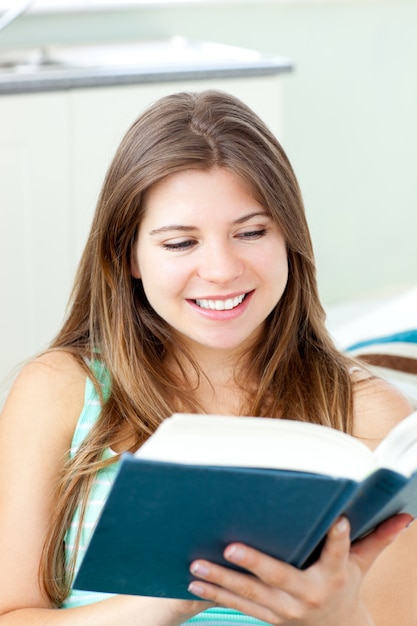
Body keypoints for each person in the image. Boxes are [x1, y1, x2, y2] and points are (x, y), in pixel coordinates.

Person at [0, 89, 416, 626]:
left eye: (251, 232)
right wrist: (167, 600)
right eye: (180, 244)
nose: (220, 270)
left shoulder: (373, 416)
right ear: (127, 255)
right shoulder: (57, 390)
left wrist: (337, 618)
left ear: (290, 239)